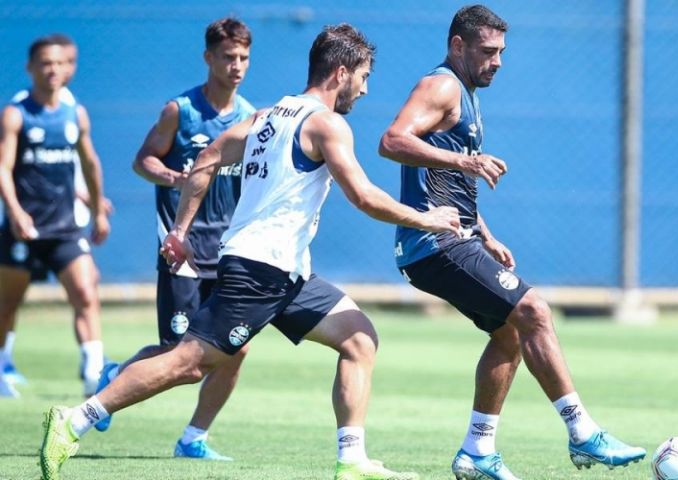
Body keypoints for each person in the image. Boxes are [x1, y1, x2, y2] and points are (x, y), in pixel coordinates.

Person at [40, 23, 460, 480]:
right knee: (188, 362)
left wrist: (180, 231)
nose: (365, 88)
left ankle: (352, 459)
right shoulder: (326, 124)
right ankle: (74, 419)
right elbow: (362, 196)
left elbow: (206, 159)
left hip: (287, 273)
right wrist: (428, 218)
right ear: (341, 73)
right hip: (261, 269)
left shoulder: (267, 115)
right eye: (364, 76)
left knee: (359, 339)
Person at [378, 5, 646, 478]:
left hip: (455, 239)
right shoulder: (440, 86)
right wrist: (465, 164)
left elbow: (442, 178)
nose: (497, 61)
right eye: (487, 51)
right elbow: (392, 140)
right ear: (457, 46)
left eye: (501, 51)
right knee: (534, 311)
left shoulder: (465, 93)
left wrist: (485, 232)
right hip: (434, 245)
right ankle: (583, 433)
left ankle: (477, 453)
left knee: (510, 334)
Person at [87, 17, 256, 461]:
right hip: (182, 249)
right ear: (208, 58)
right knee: (176, 351)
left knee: (236, 349)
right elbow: (142, 160)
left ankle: (193, 438)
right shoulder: (179, 111)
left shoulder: (249, 118)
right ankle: (115, 377)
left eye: (243, 57)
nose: (236, 66)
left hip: (229, 253)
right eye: (227, 57)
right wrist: (172, 176)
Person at [0, 35, 111, 399]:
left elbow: (89, 163)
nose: (53, 69)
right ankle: (2, 364)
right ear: (31, 68)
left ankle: (94, 372)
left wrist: (97, 211)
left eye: (60, 63)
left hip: (66, 228)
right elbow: (4, 166)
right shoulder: (17, 113)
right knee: (7, 304)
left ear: (68, 68)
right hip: (26, 230)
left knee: (85, 292)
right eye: (45, 63)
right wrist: (15, 213)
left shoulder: (74, 113)